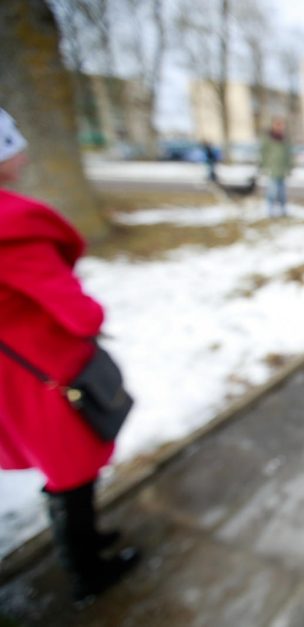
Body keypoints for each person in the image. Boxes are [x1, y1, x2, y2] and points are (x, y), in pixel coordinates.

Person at [0, 107, 139, 604]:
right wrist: (89, 307)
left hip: (12, 376)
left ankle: (83, 543)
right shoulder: (13, 229)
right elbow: (80, 315)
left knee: (59, 470)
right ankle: (87, 572)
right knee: (70, 473)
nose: (22, 150)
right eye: (11, 141)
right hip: (43, 377)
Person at [259, 117, 292, 217]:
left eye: (281, 125)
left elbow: (288, 154)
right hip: (272, 168)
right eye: (278, 124)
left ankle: (283, 210)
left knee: (282, 193)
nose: (280, 127)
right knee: (272, 192)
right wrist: (264, 166)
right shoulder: (268, 138)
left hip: (282, 169)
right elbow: (263, 153)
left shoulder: (284, 138)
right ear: (273, 126)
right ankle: (270, 210)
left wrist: (289, 167)